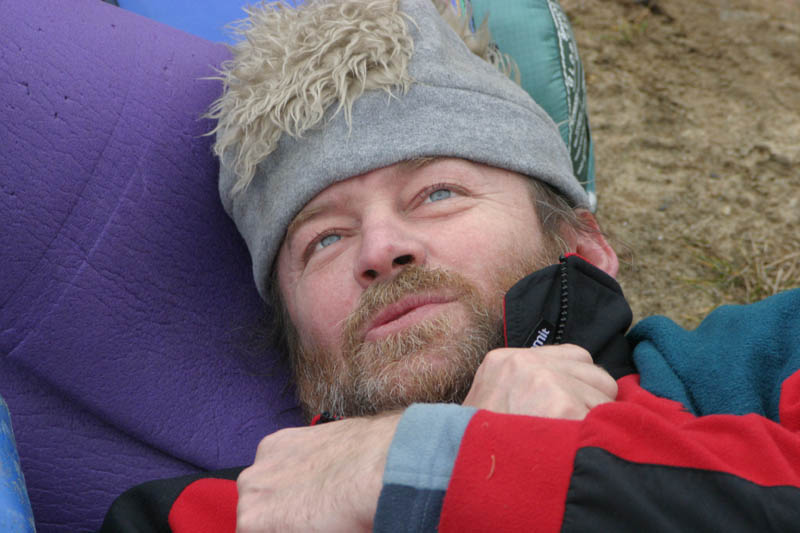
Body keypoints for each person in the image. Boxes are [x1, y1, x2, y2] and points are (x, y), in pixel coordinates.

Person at [100, 0, 800, 531]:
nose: (380, 248)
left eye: (437, 193)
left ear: (583, 245)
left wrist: (422, 463)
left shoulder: (764, 363)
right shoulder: (214, 515)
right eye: (325, 239)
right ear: (295, 344)